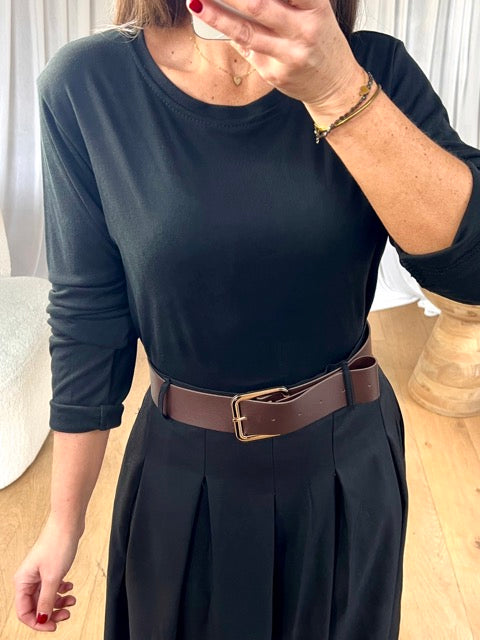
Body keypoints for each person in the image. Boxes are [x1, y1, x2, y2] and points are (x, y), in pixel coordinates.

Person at [13, 0, 480, 637]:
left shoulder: (373, 68)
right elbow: (88, 317)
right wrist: (62, 523)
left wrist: (336, 89)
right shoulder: (87, 85)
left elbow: (469, 274)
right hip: (183, 478)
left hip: (347, 466)